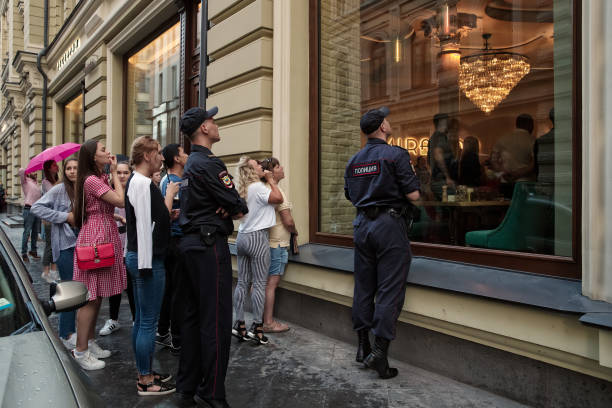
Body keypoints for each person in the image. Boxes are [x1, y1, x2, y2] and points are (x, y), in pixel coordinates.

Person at [176, 106, 248, 408]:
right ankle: (213, 392)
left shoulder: (191, 164)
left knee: (191, 320)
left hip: (189, 246)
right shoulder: (208, 163)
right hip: (208, 247)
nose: (216, 124)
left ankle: (188, 387)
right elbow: (239, 206)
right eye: (212, 120)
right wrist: (229, 205)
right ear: (204, 129)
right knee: (216, 321)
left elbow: (227, 203)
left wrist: (227, 204)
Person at [344, 106, 420, 379]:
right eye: (386, 120)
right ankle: (379, 354)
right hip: (389, 225)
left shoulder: (354, 160)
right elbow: (413, 195)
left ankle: (362, 346)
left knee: (364, 286)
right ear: (382, 128)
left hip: (362, 225)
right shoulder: (395, 154)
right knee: (389, 289)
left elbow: (350, 195)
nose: (389, 122)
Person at [124, 136, 176, 396]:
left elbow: (148, 222)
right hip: (147, 261)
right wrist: (146, 266)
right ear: (146, 156)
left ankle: (144, 371)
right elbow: (143, 228)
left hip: (142, 258)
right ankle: (145, 379)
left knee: (142, 321)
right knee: (147, 323)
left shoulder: (139, 182)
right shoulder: (143, 183)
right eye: (157, 152)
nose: (161, 157)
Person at [72, 139, 126, 371]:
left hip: (103, 232)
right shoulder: (93, 180)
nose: (108, 152)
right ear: (93, 157)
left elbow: (98, 208)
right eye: (103, 150)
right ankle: (80, 350)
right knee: (90, 297)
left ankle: (90, 342)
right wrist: (115, 173)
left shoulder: (95, 178)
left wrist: (113, 217)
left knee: (98, 294)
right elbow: (119, 200)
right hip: (97, 237)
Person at [233, 156, 283, 345]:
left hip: (242, 237)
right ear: (252, 170)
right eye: (257, 165)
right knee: (260, 284)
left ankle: (239, 324)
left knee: (242, 282)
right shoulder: (259, 188)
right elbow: (278, 198)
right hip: (258, 237)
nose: (262, 166)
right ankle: (257, 327)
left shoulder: (243, 189)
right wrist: (271, 181)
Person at [31, 158, 79, 349]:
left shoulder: (83, 189)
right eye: (68, 168)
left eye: (76, 168)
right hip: (66, 245)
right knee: (69, 289)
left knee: (79, 289)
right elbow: (37, 207)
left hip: (82, 244)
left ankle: (73, 332)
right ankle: (66, 334)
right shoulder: (59, 189)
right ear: (64, 171)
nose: (72, 171)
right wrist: (64, 217)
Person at [157, 143, 188, 353]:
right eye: (183, 152)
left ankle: (162, 331)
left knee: (169, 289)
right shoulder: (177, 183)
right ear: (176, 159)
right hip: (177, 241)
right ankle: (177, 337)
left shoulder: (164, 180)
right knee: (179, 290)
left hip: (168, 241)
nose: (186, 155)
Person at [100, 161, 136, 336]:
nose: (122, 176)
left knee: (131, 285)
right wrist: (117, 217)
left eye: (125, 172)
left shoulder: (135, 192)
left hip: (130, 245)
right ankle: (113, 320)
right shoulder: (109, 193)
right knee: (115, 285)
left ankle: (136, 319)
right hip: (113, 244)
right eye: (119, 172)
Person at [260, 157, 295, 333]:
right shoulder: (277, 191)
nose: (282, 168)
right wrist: (294, 231)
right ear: (272, 172)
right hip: (277, 244)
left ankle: (260, 319)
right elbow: (287, 220)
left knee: (262, 283)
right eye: (279, 166)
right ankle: (268, 322)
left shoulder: (262, 189)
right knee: (271, 284)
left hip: (265, 243)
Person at [427, 113, 455, 200]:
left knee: (444, 208)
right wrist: (447, 177)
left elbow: (430, 160)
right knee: (452, 204)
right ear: (442, 122)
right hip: (443, 182)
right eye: (448, 120)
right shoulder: (440, 137)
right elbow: (438, 155)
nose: (449, 123)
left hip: (438, 180)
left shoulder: (433, 138)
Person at [41, 160, 60, 283]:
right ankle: (46, 272)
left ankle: (53, 271)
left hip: (57, 217)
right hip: (49, 218)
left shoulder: (55, 181)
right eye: (54, 165)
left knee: (56, 245)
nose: (57, 166)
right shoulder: (45, 182)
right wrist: (61, 183)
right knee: (49, 245)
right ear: (48, 169)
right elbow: (53, 194)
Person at [19, 168, 41, 263]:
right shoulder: (25, 181)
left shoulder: (35, 183)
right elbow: (21, 170)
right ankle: (24, 253)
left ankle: (33, 251)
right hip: (29, 209)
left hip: (37, 210)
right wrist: (28, 169)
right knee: (27, 232)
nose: (34, 173)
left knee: (35, 232)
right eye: (32, 172)